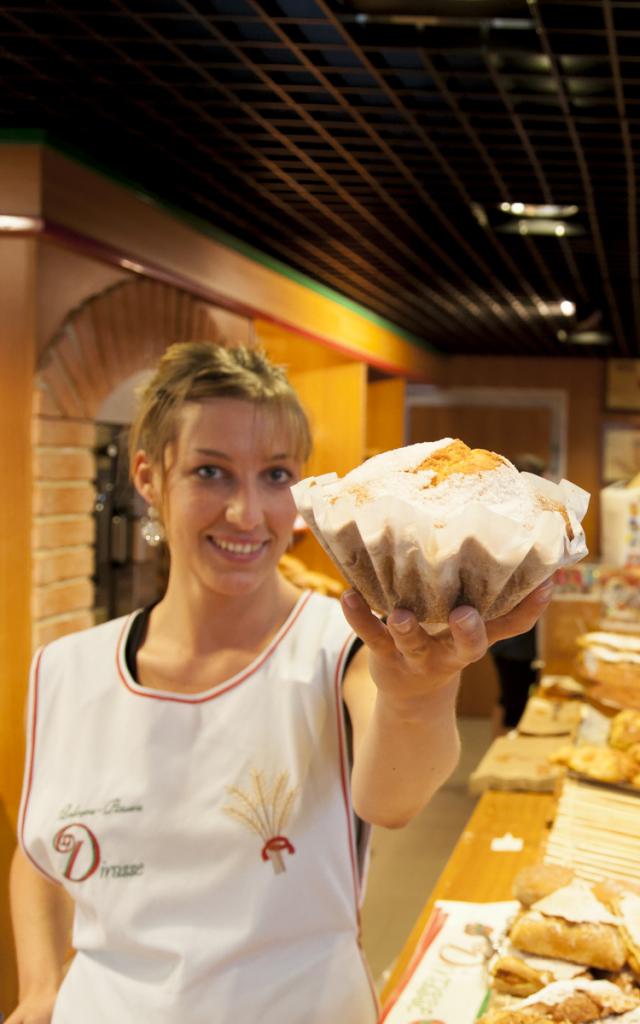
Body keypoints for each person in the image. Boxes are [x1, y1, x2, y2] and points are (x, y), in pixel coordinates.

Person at [9, 344, 554, 1024]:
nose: (247, 512)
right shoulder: (67, 669)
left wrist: (421, 689)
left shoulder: (340, 647)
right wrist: (37, 987)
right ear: (148, 476)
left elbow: (395, 799)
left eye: (275, 476)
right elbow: (42, 851)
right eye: (211, 472)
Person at [490, 453, 547, 734]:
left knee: (509, 696)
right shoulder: (514, 519)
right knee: (514, 700)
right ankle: (496, 767)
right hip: (512, 630)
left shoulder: (505, 515)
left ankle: (495, 759)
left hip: (510, 627)